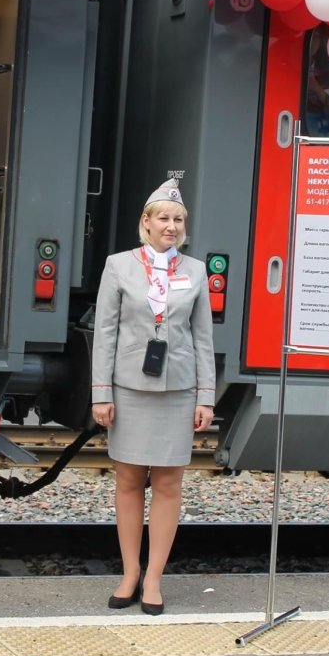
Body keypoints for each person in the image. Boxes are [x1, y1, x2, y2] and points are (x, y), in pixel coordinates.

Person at [90, 178, 216, 616]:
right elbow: (105, 332)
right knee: (128, 481)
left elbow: (203, 338)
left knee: (167, 484)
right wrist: (101, 393)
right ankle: (129, 573)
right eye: (163, 218)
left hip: (178, 390)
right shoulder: (118, 266)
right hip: (129, 388)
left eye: (178, 219)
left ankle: (154, 579)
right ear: (146, 222)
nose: (171, 226)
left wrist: (205, 397)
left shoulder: (195, 271)